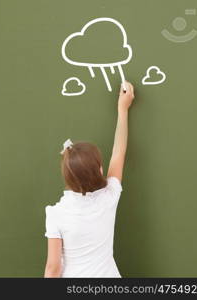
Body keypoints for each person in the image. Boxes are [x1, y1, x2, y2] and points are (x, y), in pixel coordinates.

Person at [44, 81, 135, 277]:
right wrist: (122, 109)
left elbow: (53, 268)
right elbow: (119, 152)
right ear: (100, 170)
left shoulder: (56, 214)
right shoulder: (109, 197)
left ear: (67, 176)